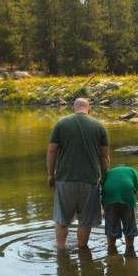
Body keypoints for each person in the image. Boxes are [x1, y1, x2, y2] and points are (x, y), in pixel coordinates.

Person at [47, 97, 110, 249]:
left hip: (65, 179)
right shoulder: (99, 126)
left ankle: (61, 251)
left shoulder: (61, 123)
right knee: (85, 221)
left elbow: (52, 151)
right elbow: (104, 156)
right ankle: (82, 250)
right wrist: (104, 177)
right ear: (89, 109)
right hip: (90, 180)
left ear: (73, 108)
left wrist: (51, 174)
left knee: (62, 219)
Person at [101, 164, 138, 252]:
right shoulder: (132, 170)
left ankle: (111, 252)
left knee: (111, 228)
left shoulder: (109, 173)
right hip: (127, 195)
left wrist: (105, 209)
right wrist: (132, 203)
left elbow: (102, 190)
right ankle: (130, 251)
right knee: (129, 227)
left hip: (109, 197)